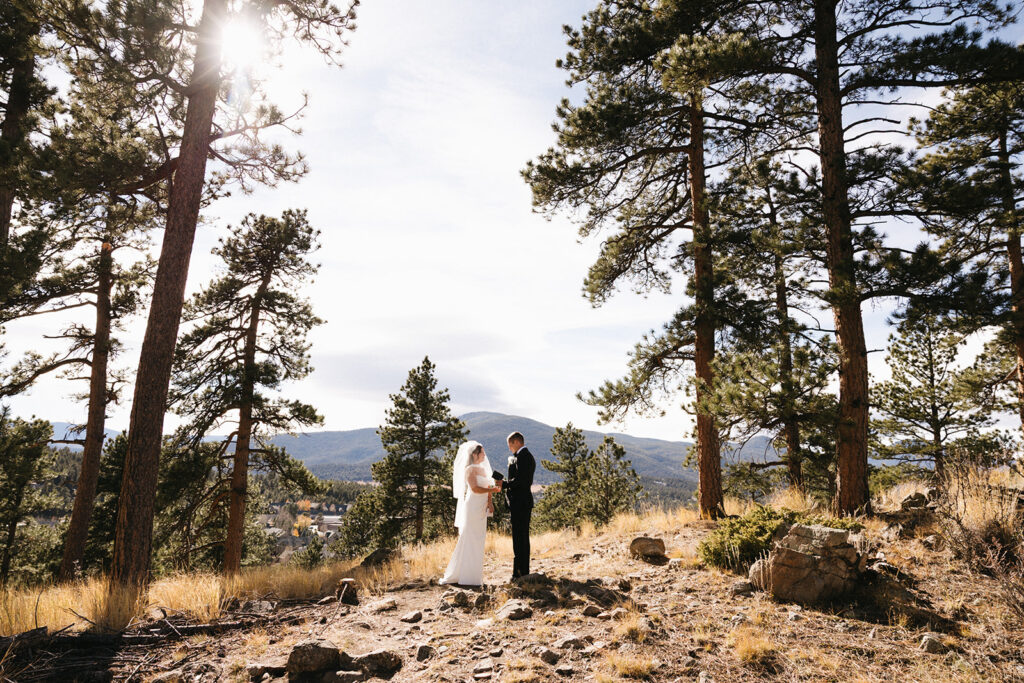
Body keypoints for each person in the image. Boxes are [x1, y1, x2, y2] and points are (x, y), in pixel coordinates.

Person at [440, 441, 501, 586]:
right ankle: (465, 576)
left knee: (479, 539)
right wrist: (493, 490)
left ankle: (474, 575)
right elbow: (475, 488)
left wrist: (490, 501)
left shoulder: (483, 469)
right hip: (473, 506)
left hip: (481, 507)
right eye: (482, 452)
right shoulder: (469, 470)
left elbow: (487, 485)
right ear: (475, 454)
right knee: (470, 538)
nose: (485, 455)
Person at [498, 431, 535, 581]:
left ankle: (520, 572)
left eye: (509, 445)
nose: (509, 448)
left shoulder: (524, 457)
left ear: (516, 442)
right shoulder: (522, 456)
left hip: (521, 503)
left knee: (520, 538)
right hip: (519, 503)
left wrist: (504, 484)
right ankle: (520, 571)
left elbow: (522, 481)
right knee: (520, 538)